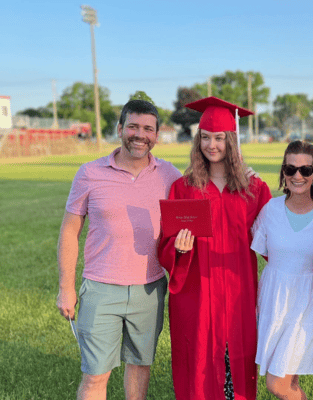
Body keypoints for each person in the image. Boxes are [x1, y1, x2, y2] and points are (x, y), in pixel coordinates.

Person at [56, 100, 182, 399]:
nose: (140, 135)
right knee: (95, 376)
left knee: (139, 368)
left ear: (157, 135)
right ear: (120, 129)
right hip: (100, 289)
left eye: (148, 129)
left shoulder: (170, 175)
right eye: (133, 127)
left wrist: (242, 174)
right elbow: (69, 231)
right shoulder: (89, 173)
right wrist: (66, 288)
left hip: (149, 290)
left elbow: (203, 201)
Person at [157, 97, 272, 400]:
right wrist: (179, 249)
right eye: (205, 138)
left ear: (231, 141)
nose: (211, 145)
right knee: (199, 362)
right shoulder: (183, 188)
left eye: (219, 138)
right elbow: (166, 243)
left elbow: (274, 242)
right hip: (198, 291)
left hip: (238, 290)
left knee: (237, 358)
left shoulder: (254, 189)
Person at [251, 140, 313, 400]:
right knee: (287, 382)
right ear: (283, 172)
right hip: (275, 303)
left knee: (278, 384)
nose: (298, 176)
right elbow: (263, 251)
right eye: (290, 169)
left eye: (306, 170)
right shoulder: (270, 210)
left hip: (309, 307)